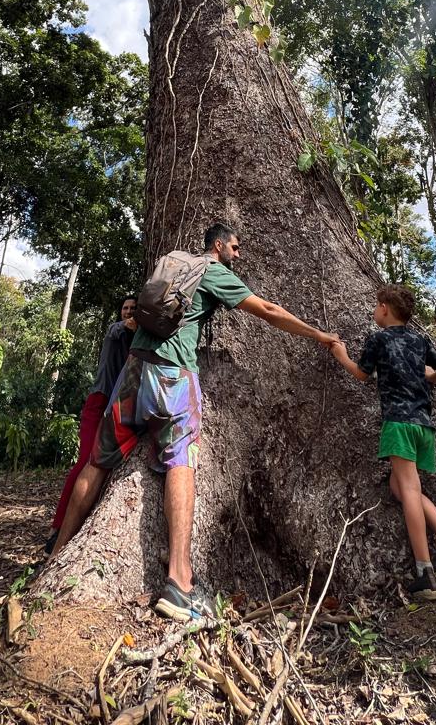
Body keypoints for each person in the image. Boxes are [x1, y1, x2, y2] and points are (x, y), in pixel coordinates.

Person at [50, 222, 341, 621]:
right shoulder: (213, 271)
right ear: (218, 246)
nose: (238, 256)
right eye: (235, 248)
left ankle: (57, 554)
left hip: (133, 372)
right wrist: (318, 335)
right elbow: (268, 311)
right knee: (181, 463)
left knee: (97, 463)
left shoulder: (170, 260)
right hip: (174, 377)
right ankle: (179, 582)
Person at [331, 283, 436, 601]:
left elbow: (361, 374)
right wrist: (426, 376)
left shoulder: (379, 339)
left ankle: (425, 572)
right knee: (402, 488)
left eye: (375, 305)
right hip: (423, 425)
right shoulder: (420, 339)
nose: (374, 310)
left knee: (409, 491)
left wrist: (341, 355)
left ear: (384, 307)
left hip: (398, 423)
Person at [44, 298, 138, 555]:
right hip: (99, 401)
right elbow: (120, 328)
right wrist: (134, 321)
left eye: (133, 308)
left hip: (119, 405)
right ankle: (56, 529)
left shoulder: (137, 344)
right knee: (87, 460)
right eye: (125, 308)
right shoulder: (115, 331)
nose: (128, 312)